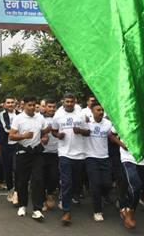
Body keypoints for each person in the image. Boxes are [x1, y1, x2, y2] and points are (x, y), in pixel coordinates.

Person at [9, 98, 51, 221]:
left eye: (34, 105)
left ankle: (37, 209)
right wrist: (23, 136)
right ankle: (22, 205)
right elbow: (11, 136)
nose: (32, 107)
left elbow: (45, 131)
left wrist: (45, 137)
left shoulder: (40, 118)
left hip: (37, 153)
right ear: (24, 106)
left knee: (38, 180)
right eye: (29, 105)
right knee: (22, 181)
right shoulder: (18, 118)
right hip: (23, 152)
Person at [75, 101, 115, 222]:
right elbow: (75, 124)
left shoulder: (108, 123)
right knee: (95, 184)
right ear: (92, 111)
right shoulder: (87, 123)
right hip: (90, 157)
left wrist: (122, 144)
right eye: (98, 110)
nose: (101, 112)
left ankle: (101, 197)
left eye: (102, 110)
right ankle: (97, 210)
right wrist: (82, 123)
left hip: (104, 157)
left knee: (107, 183)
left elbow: (112, 135)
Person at [51, 93, 86, 225]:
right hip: (64, 153)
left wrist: (80, 131)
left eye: (72, 101)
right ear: (63, 102)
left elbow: (88, 132)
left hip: (80, 153)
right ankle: (66, 211)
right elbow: (54, 130)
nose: (69, 104)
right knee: (67, 182)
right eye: (67, 101)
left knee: (76, 182)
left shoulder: (81, 114)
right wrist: (58, 135)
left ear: (75, 102)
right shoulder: (58, 115)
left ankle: (74, 196)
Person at [0, 97, 18, 203]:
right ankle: (10, 189)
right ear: (4, 104)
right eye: (8, 103)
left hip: (17, 144)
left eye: (12, 102)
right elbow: (6, 128)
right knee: (7, 169)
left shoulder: (20, 114)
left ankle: (17, 191)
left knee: (16, 168)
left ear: (15, 103)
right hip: (5, 145)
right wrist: (19, 133)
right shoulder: (2, 114)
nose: (10, 104)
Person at [40, 98, 59, 211]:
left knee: (54, 176)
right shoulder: (39, 118)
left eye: (53, 107)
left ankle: (50, 193)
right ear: (45, 107)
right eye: (49, 107)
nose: (52, 109)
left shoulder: (59, 118)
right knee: (42, 177)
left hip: (56, 152)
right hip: (42, 153)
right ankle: (42, 199)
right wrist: (42, 138)